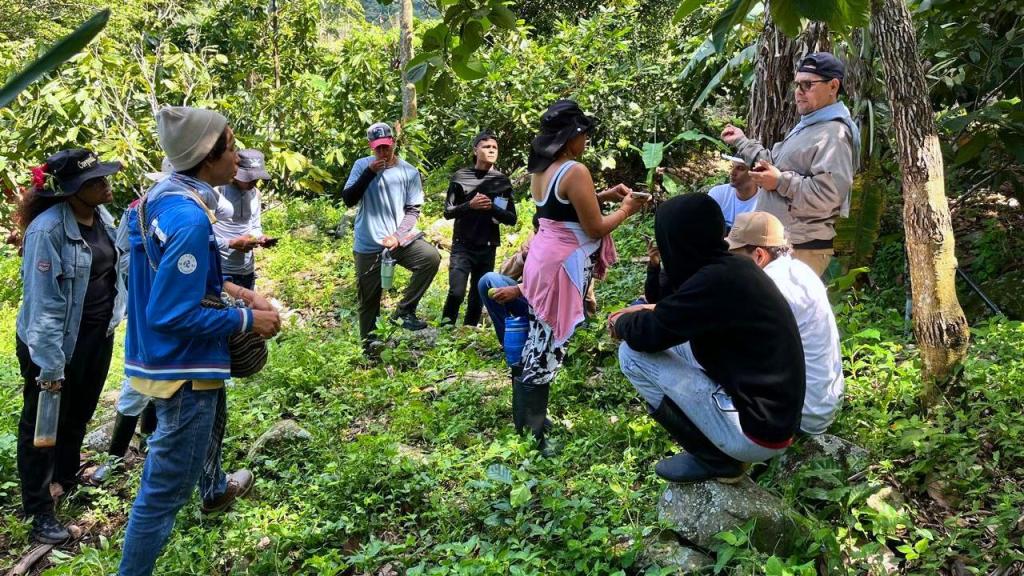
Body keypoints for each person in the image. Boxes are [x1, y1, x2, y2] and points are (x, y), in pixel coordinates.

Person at [118, 107, 281, 576]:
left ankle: (214, 488)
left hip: (158, 360)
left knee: (196, 445)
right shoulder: (190, 218)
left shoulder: (156, 199)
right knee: (163, 492)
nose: (237, 156)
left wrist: (236, 291)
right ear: (208, 158)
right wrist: (247, 320)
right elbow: (171, 312)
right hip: (184, 369)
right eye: (231, 147)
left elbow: (161, 275)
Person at [610, 194, 805, 484]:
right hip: (774, 420)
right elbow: (667, 306)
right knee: (674, 340)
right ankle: (719, 449)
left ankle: (716, 458)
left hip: (755, 432)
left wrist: (620, 320)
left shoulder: (715, 281)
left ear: (676, 240)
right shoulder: (730, 269)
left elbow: (647, 335)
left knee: (632, 355)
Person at [514, 100, 647, 450]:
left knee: (538, 337)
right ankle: (533, 433)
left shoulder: (543, 170)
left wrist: (601, 194)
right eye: (584, 134)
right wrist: (626, 209)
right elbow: (594, 226)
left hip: (544, 259)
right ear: (573, 136)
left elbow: (559, 208)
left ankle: (529, 420)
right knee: (547, 346)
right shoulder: (575, 170)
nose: (586, 141)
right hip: (560, 266)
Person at [14, 149, 126, 544]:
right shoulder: (48, 231)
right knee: (43, 426)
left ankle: (66, 477)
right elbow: (43, 302)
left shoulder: (104, 219)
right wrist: (50, 368)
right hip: (54, 345)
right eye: (95, 180)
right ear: (74, 190)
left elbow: (114, 271)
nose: (105, 184)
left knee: (78, 413)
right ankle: (39, 510)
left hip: (96, 336)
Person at [721, 51, 861, 276]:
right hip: (783, 246)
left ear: (833, 86)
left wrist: (779, 182)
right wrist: (742, 142)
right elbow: (775, 165)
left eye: (807, 85)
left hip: (802, 249)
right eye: (796, 85)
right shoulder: (810, 126)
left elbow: (828, 197)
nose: (798, 92)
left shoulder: (834, 133)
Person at [726, 211, 844, 435]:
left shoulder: (768, 287)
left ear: (759, 255)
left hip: (801, 415)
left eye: (736, 255)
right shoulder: (798, 270)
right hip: (822, 405)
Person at [341, 122, 441, 353]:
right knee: (369, 299)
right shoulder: (361, 166)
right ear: (371, 147)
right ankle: (370, 348)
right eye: (378, 148)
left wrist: (397, 235)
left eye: (386, 147)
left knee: (430, 258)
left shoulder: (408, 171)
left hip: (399, 241)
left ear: (394, 143)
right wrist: (370, 173)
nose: (383, 152)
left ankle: (404, 310)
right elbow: (348, 199)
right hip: (368, 242)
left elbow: (413, 209)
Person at [440, 132, 517, 326]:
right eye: (486, 147)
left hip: (488, 245)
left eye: (494, 148)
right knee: (456, 292)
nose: (491, 150)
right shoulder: (461, 177)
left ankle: (469, 330)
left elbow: (511, 218)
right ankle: (445, 328)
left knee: (478, 294)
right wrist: (469, 206)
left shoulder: (502, 181)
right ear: (475, 150)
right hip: (462, 245)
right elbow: (448, 212)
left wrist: (492, 207)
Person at [213, 149, 272, 290]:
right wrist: (231, 243)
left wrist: (260, 238)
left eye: (256, 178)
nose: (254, 182)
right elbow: (202, 236)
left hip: (246, 269)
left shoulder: (255, 194)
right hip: (220, 269)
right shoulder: (216, 192)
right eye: (249, 178)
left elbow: (254, 227)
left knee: (247, 310)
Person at [478, 241, 530, 347]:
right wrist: (523, 257)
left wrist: (518, 290)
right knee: (487, 280)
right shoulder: (533, 238)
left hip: (549, 307)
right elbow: (504, 273)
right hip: (527, 299)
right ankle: (509, 343)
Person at [708, 159, 758, 233]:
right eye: (732, 167)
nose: (732, 172)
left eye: (740, 168)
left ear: (755, 174)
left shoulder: (764, 202)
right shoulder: (717, 193)